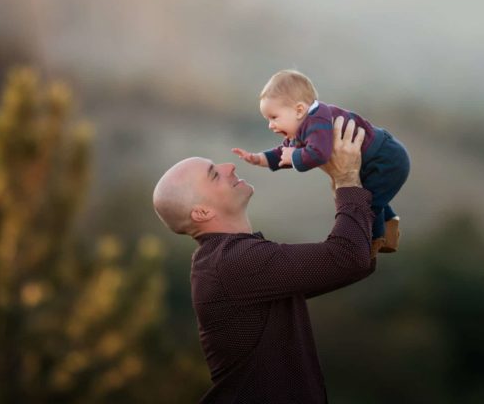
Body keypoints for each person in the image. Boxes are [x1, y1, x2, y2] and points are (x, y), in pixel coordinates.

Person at [153, 117, 376, 404]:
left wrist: (352, 183)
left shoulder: (229, 260)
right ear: (202, 213)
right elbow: (349, 258)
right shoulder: (233, 263)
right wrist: (347, 181)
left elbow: (356, 261)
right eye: (213, 174)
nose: (229, 166)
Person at [232, 69, 410, 258]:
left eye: (274, 117)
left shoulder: (318, 122)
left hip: (387, 160)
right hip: (377, 160)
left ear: (299, 110)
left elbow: (319, 154)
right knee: (372, 195)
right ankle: (389, 227)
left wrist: (294, 156)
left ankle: (374, 241)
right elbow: (286, 152)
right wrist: (259, 158)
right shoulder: (303, 126)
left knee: (367, 204)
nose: (270, 125)